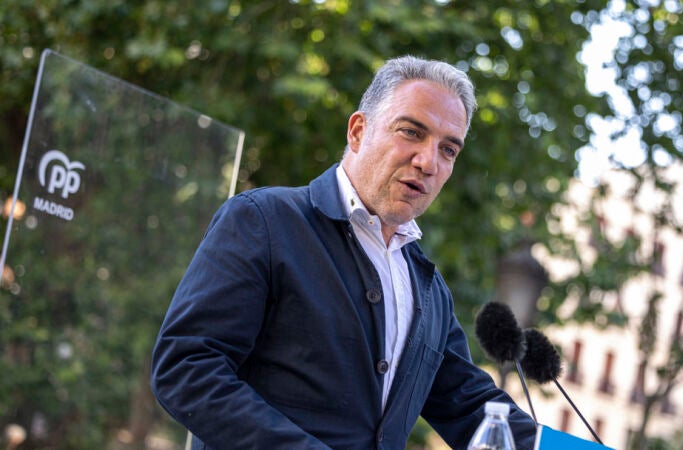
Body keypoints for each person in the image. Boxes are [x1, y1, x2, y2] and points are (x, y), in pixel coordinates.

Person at [150, 55, 536, 449]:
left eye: (448, 150)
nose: (428, 162)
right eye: (411, 132)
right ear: (357, 131)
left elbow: (471, 405)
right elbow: (186, 369)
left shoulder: (431, 291)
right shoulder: (263, 221)